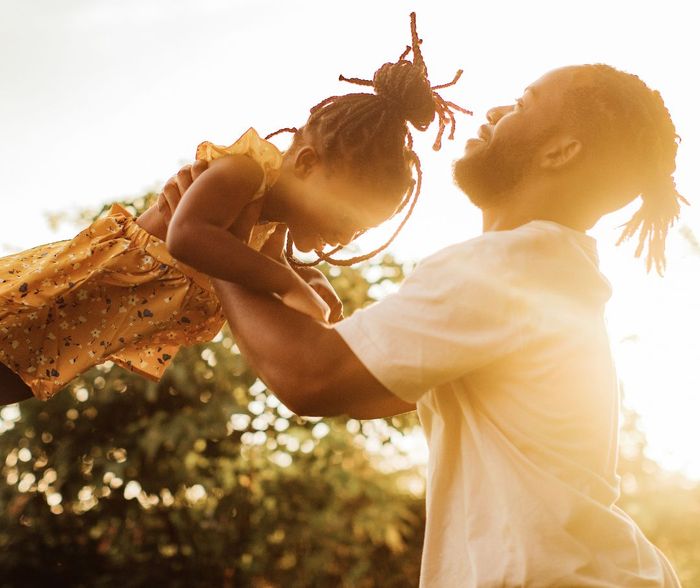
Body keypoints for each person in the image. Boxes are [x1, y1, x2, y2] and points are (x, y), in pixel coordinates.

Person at [164, 63, 685, 586]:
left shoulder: (508, 267)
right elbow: (364, 394)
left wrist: (224, 239)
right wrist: (267, 269)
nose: (497, 111)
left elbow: (310, 378)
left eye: (523, 105)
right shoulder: (548, 269)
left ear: (560, 151)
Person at [0, 13, 469, 404]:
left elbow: (267, 262)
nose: (345, 238)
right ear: (306, 163)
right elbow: (189, 236)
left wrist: (311, 285)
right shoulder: (242, 174)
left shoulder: (270, 228)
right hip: (53, 294)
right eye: (346, 218)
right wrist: (287, 283)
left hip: (72, 340)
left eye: (358, 232)